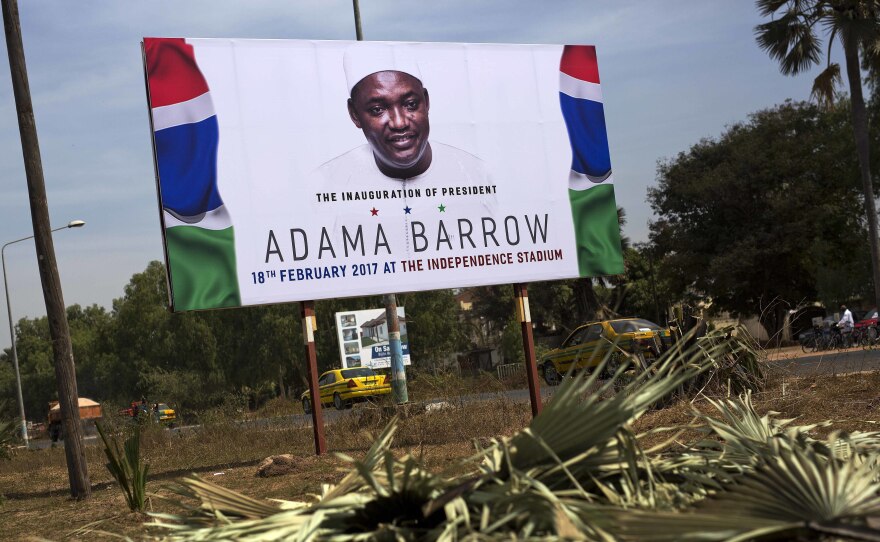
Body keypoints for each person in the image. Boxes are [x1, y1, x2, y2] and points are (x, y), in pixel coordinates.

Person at [314, 43, 489, 187]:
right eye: (377, 109)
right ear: (355, 114)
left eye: (410, 104)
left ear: (426, 102)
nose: (399, 123)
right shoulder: (326, 185)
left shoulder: (476, 175)